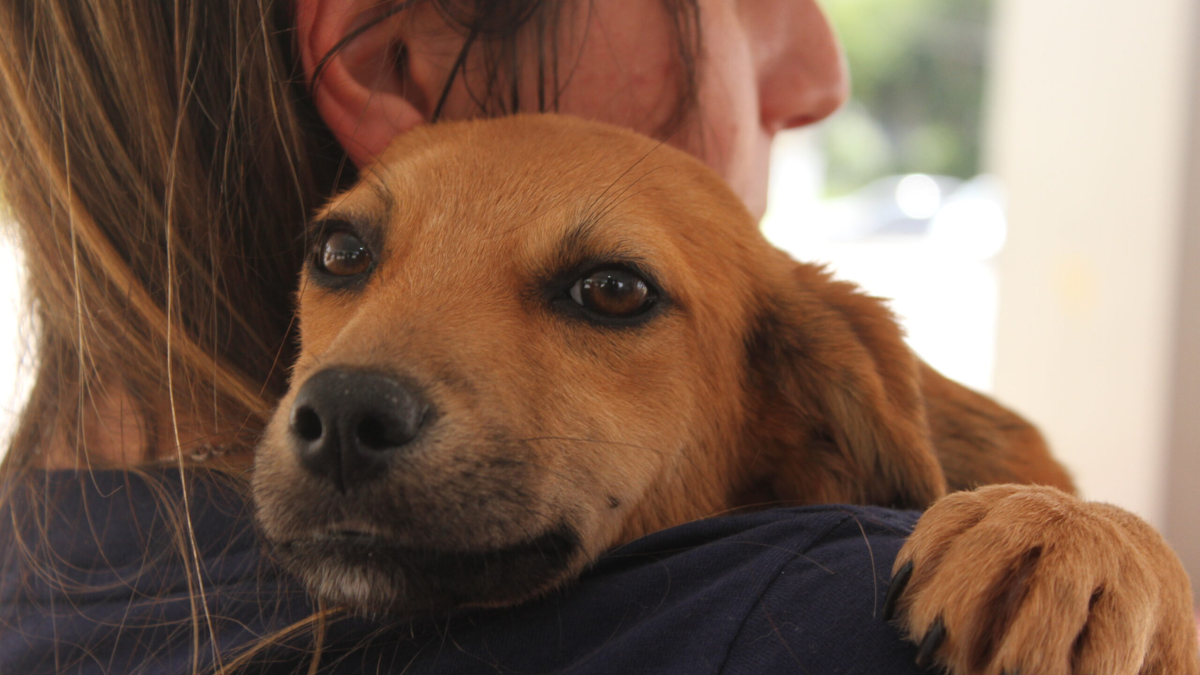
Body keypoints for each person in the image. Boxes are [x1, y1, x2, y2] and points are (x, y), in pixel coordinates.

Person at [0, 1, 933, 673]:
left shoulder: (31, 568)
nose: (821, 72)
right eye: (343, 254)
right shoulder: (833, 621)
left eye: (608, 291)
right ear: (393, 57)